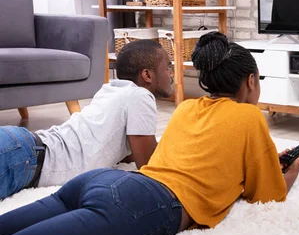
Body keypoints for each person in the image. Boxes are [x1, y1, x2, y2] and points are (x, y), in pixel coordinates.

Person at [0, 32, 299, 235]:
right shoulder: (249, 117)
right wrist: (290, 171)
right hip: (146, 204)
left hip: (98, 181)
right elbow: (268, 194)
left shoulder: (187, 108)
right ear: (251, 81)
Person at [0, 40, 173, 200]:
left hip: (22, 146)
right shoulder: (140, 96)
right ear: (147, 75)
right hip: (23, 158)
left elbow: (126, 154)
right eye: (168, 67)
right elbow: (149, 166)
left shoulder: (112, 90)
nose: (172, 73)